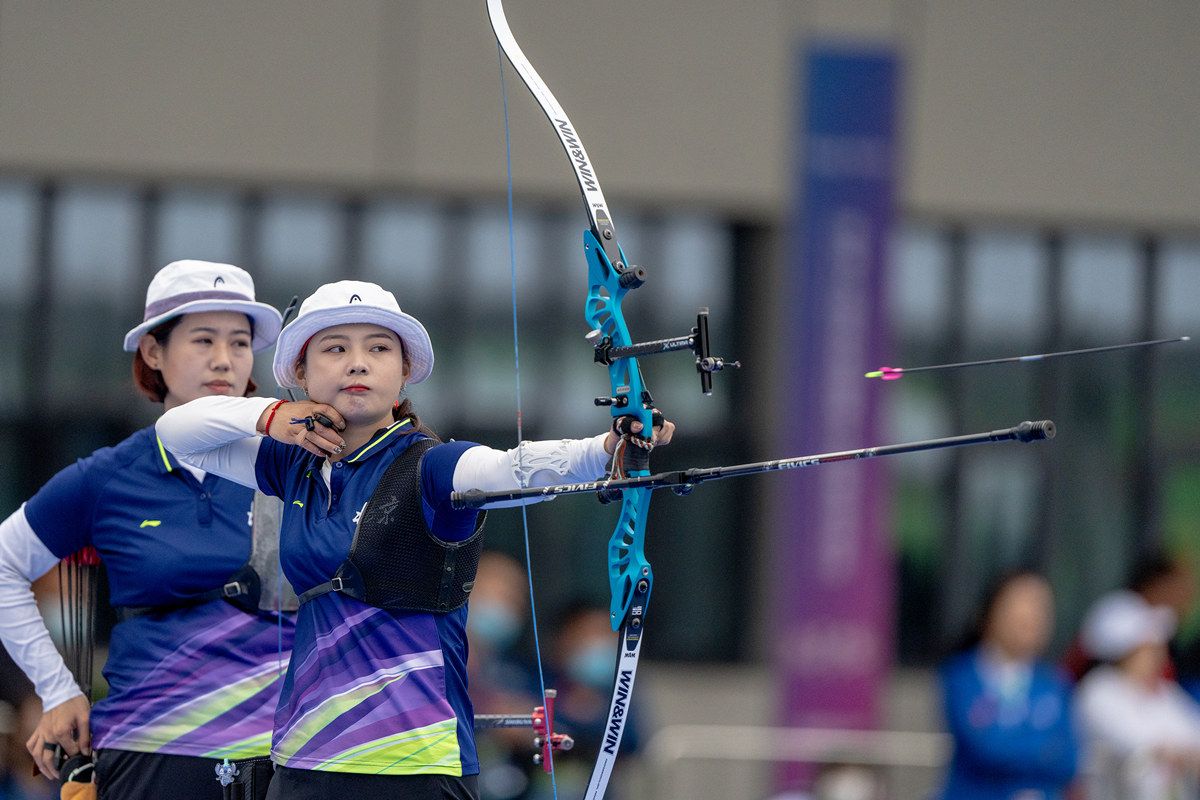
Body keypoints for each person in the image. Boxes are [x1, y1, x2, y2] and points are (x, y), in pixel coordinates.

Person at [154, 280, 674, 800]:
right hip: (303, 760)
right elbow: (177, 432)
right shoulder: (292, 463)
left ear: (403, 372)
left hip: (415, 766)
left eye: (379, 349)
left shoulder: (431, 467)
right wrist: (270, 416)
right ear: (300, 372)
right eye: (335, 348)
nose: (358, 363)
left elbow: (507, 469)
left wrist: (605, 449)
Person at [0, 260, 294, 799]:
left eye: (239, 342)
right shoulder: (107, 476)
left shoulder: (293, 465)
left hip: (284, 757)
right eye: (203, 340)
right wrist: (57, 690)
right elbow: (3, 565)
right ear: (154, 353)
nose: (224, 359)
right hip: (148, 756)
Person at [938, 570, 1078, 800]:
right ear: (992, 611)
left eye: (1041, 609)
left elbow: (1068, 761)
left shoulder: (1054, 683)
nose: (1033, 616)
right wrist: (1043, 748)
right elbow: (985, 749)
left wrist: (1009, 738)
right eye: (1022, 605)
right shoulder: (962, 676)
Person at [1075, 591, 1200, 800]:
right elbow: (1134, 744)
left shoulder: (1166, 693)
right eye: (1148, 648)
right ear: (1124, 650)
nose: (1159, 655)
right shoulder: (1098, 690)